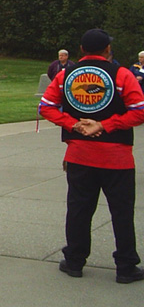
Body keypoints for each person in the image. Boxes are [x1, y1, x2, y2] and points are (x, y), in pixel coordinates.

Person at [39, 28, 144, 284]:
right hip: (117, 156)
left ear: (82, 50)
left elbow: (46, 106)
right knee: (121, 212)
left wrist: (72, 124)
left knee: (78, 210)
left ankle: (74, 261)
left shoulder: (66, 75)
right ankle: (126, 265)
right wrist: (107, 124)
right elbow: (139, 111)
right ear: (108, 49)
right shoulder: (122, 75)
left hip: (79, 153)